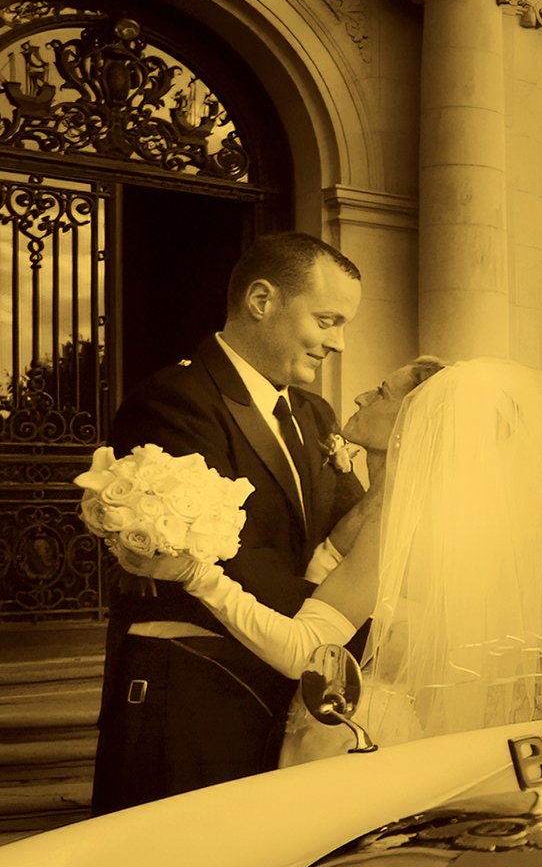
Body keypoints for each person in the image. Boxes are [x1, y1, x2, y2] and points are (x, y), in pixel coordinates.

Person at [113, 357, 542, 764]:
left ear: (416, 422)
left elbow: (302, 651)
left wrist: (195, 574)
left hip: (351, 731)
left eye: (381, 392)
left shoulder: (400, 522)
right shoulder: (415, 507)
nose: (359, 397)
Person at [89, 231, 367, 813]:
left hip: (288, 683)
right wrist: (332, 624)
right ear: (262, 301)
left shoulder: (315, 413)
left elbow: (345, 529)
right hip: (195, 694)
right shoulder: (177, 400)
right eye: (326, 320)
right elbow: (231, 553)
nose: (338, 343)